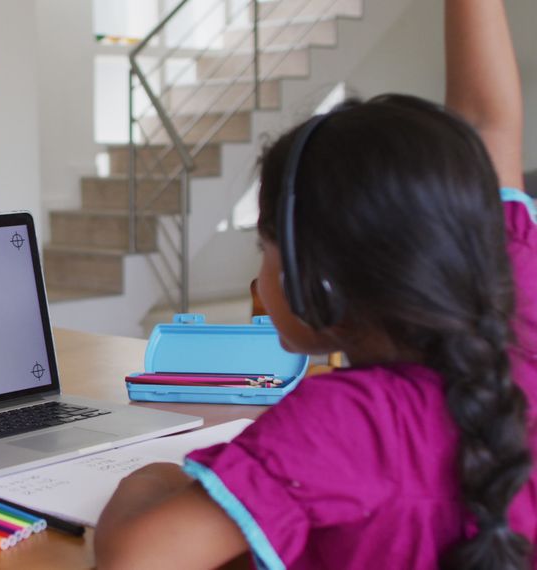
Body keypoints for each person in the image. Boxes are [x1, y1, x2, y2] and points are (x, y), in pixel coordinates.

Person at [93, 0, 536, 568]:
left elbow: (137, 558)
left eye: (266, 244)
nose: (260, 273)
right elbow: (485, 125)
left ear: (318, 276)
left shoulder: (344, 422)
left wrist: (150, 478)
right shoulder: (517, 295)